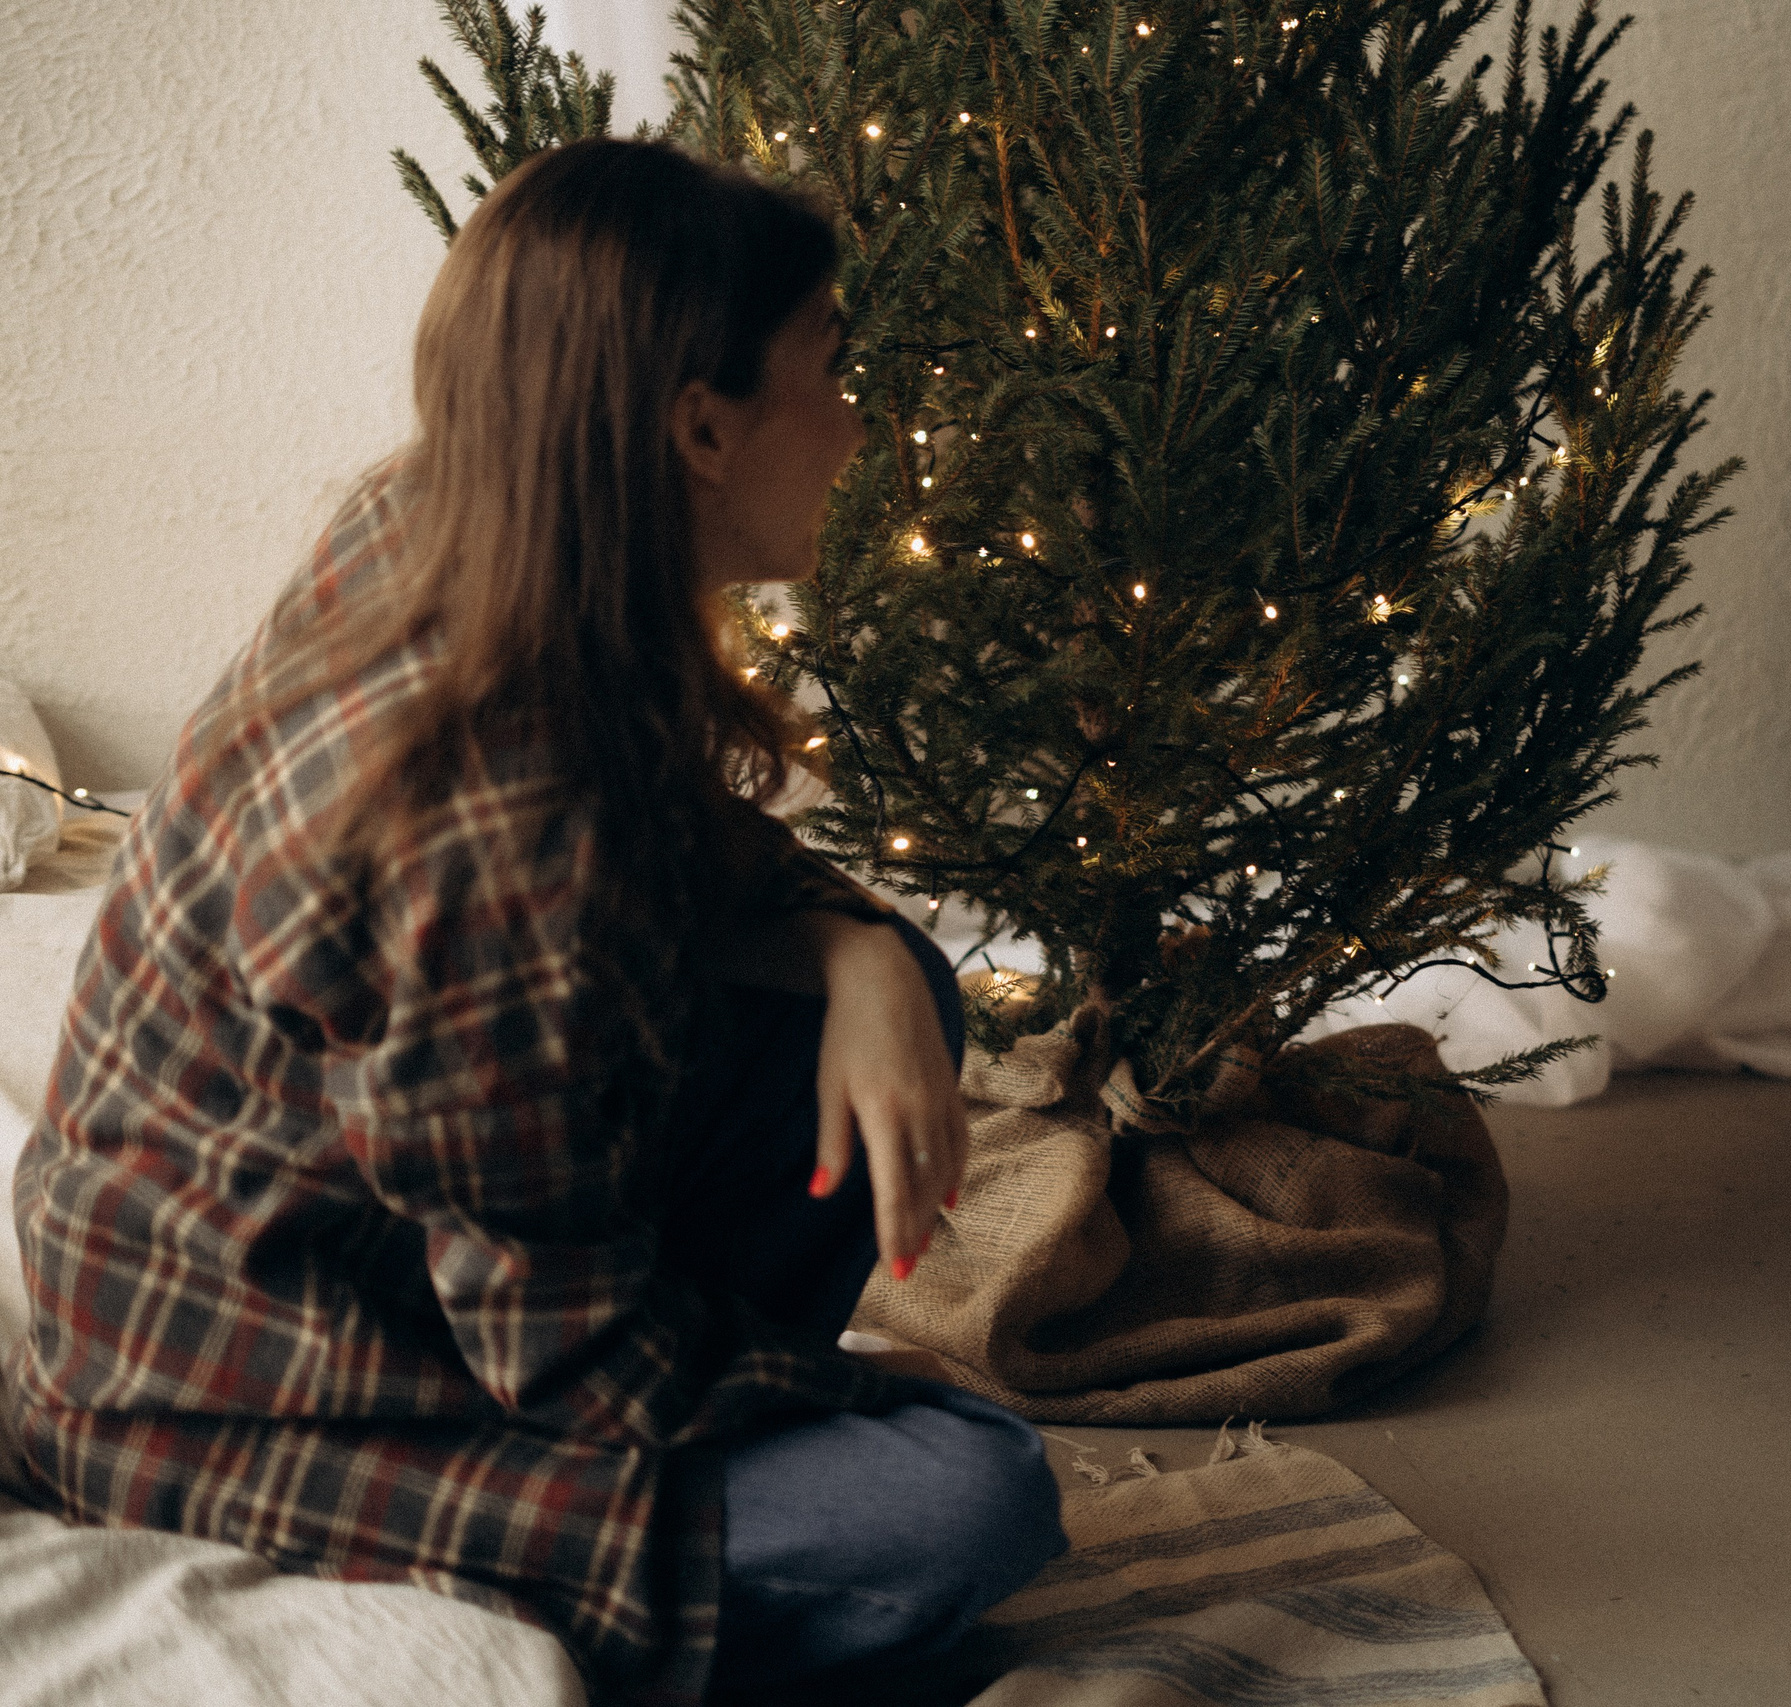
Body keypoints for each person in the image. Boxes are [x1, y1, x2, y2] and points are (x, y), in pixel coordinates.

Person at [9, 139, 1064, 1703]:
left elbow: (695, 856)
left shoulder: (465, 532)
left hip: (394, 1275)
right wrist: (837, 1403)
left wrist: (856, 947)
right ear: (701, 428)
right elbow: (562, 1355)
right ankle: (583, 1583)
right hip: (243, 1400)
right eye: (829, 371)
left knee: (890, 981)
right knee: (972, 1495)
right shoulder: (491, 828)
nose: (856, 426)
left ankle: (685, 1529)